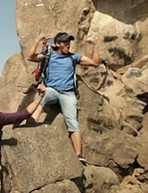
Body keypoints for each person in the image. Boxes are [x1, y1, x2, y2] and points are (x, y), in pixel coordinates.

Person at [26, 32, 100, 164]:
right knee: (41, 97)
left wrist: (95, 45)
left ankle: (79, 155)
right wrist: (37, 40)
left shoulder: (73, 57)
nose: (68, 44)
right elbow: (30, 57)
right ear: (58, 44)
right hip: (51, 90)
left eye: (69, 42)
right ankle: (31, 124)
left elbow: (95, 62)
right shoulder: (49, 55)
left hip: (68, 93)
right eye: (65, 42)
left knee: (73, 122)